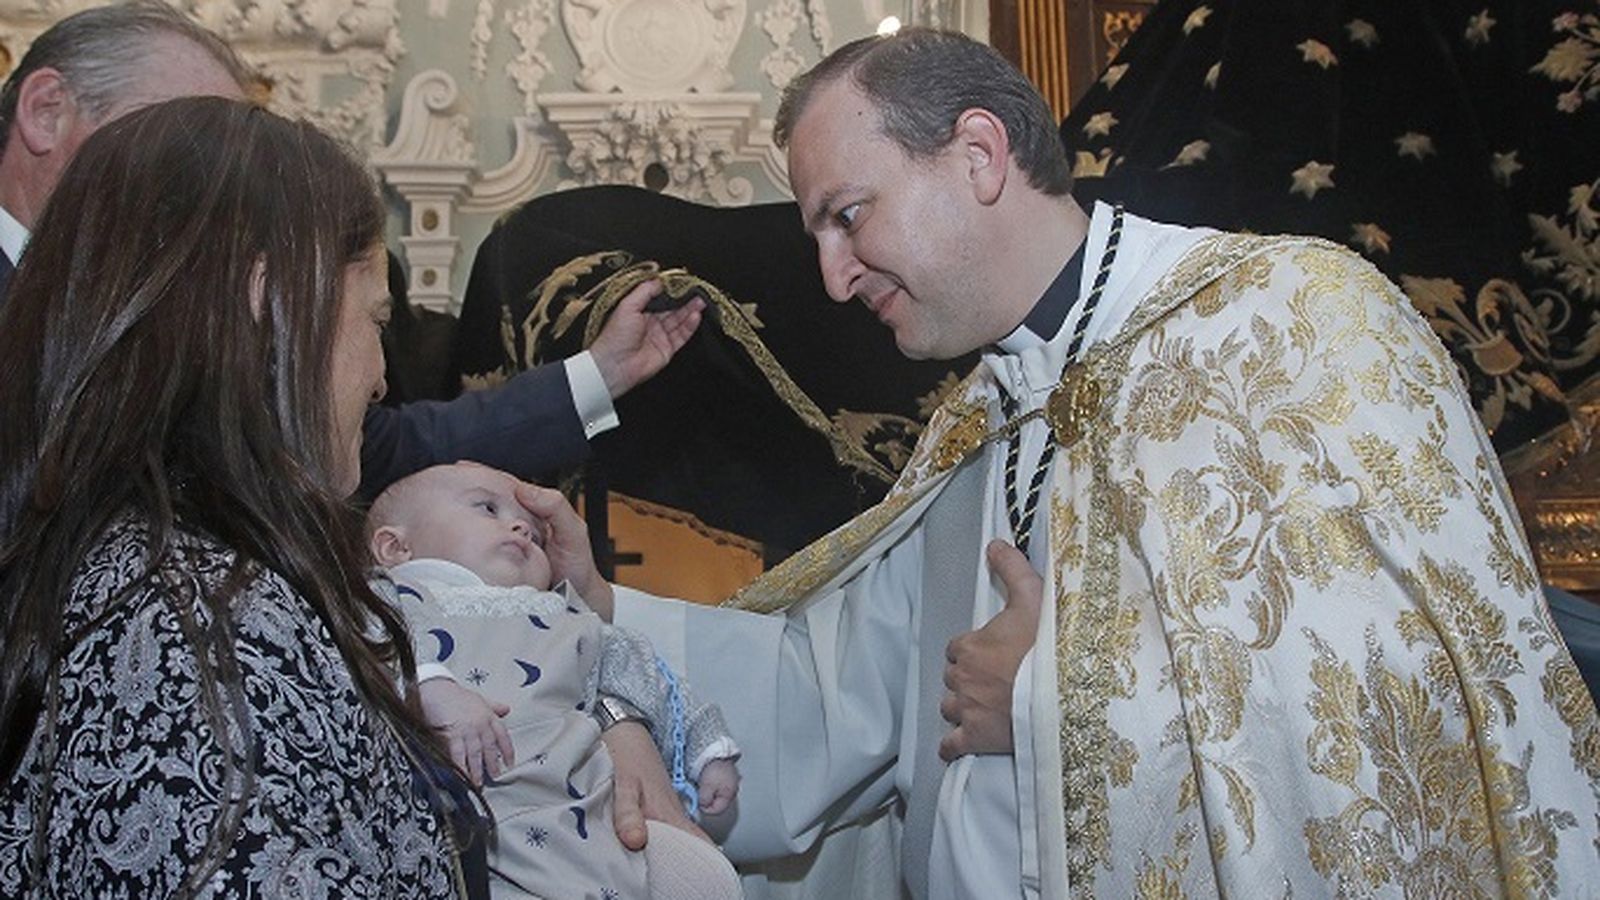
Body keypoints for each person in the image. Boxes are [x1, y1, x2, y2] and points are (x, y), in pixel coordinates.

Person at [603, 28, 1600, 898]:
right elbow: (830, 702)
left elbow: (1399, 714)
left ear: (978, 155)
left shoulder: (1295, 320)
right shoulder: (973, 429)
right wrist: (589, 626)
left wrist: (1052, 706)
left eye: (847, 215)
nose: (831, 275)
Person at [0, 96, 464, 894]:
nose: (384, 377)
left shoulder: (153, 572)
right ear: (270, 297)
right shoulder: (201, 632)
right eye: (375, 319)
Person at [0, 0, 704, 498]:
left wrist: (596, 374)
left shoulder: (199, 315)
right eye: (180, 144)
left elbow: (381, 447)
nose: (213, 191)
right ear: (46, 111)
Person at [366, 461, 743, 899]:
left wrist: (708, 745)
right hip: (470, 827)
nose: (520, 529)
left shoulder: (566, 613)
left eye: (535, 532)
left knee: (707, 877)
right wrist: (428, 684)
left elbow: (645, 671)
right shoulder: (389, 598)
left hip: (583, 813)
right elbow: (359, 647)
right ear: (396, 548)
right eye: (487, 508)